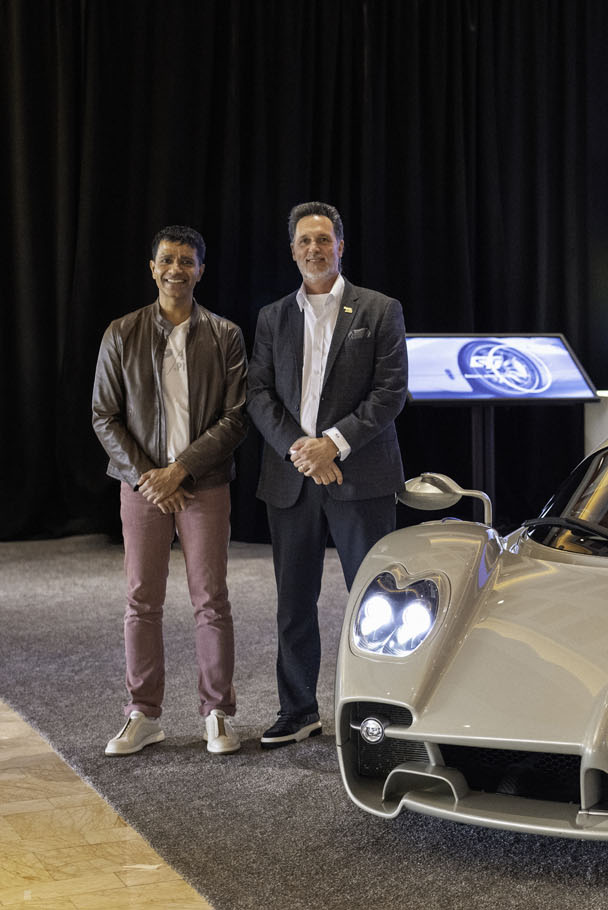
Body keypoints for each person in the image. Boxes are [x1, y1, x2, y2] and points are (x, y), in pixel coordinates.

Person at [247, 201, 408, 749]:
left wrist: (332, 445)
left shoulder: (380, 310)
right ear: (293, 251)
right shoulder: (273, 317)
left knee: (376, 601)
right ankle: (298, 710)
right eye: (303, 242)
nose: (314, 249)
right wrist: (302, 449)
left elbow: (390, 394)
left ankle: (378, 715)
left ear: (341, 246)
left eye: (323, 239)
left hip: (359, 475)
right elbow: (258, 393)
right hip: (292, 478)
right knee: (294, 601)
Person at [91, 225, 248, 756]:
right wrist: (148, 477)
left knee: (211, 599)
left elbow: (236, 418)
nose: (176, 268)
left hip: (202, 485)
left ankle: (218, 713)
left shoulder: (225, 335)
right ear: (152, 268)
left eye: (187, 260)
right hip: (142, 489)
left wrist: (178, 470)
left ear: (201, 269)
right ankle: (143, 714)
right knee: (141, 599)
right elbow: (104, 416)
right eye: (167, 260)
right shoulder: (121, 332)